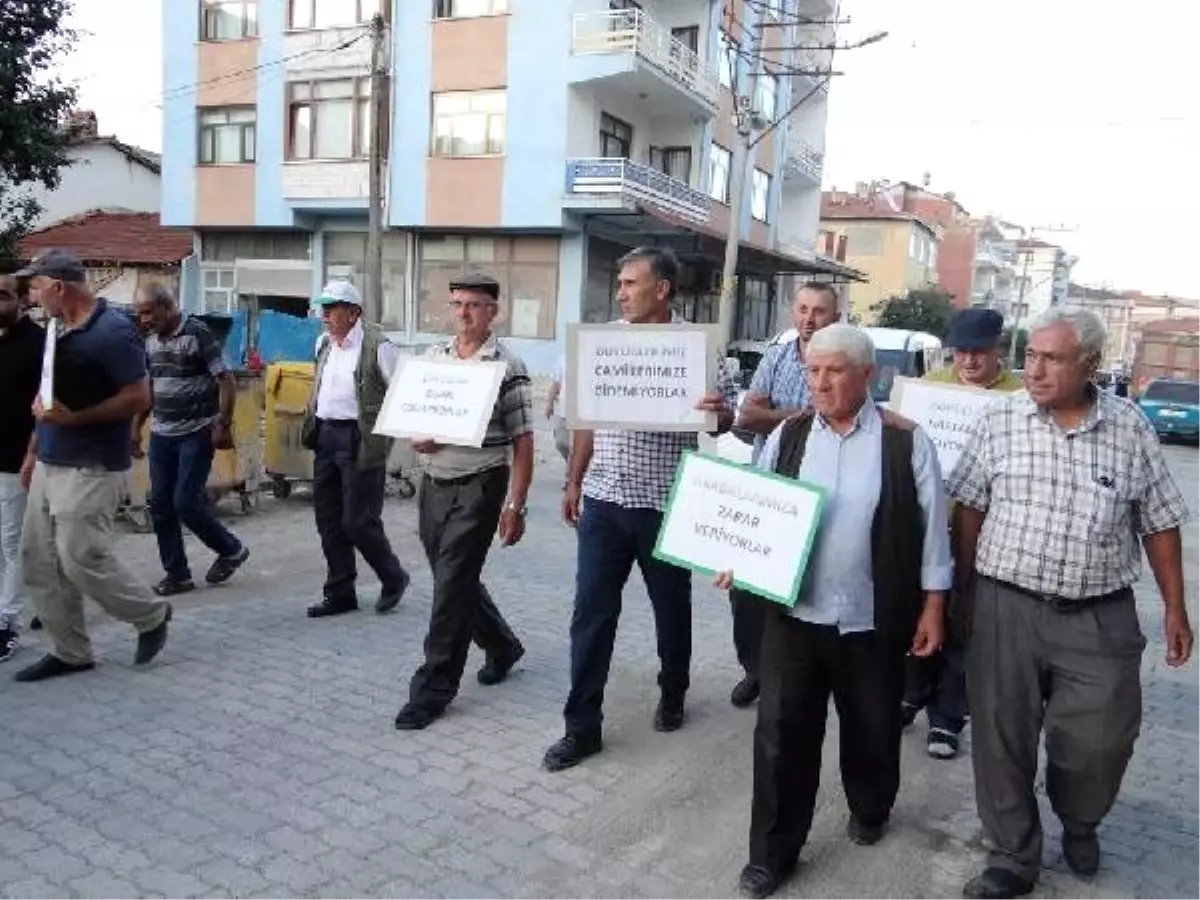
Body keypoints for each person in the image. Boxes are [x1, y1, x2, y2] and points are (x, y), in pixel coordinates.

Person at [948, 307, 1194, 898]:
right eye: (1029, 355)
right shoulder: (999, 420)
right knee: (1000, 737)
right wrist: (960, 594)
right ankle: (1011, 854)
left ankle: (1080, 820)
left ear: (1089, 364)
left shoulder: (1131, 428)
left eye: (1051, 358)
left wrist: (1176, 608)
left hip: (1098, 614)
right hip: (1005, 605)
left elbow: (1159, 523)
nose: (1033, 368)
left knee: (1102, 741)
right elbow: (969, 510)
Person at [714, 323, 951, 899]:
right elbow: (757, 503)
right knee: (780, 735)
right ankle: (772, 853)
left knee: (871, 726)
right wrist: (733, 554)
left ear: (868, 376)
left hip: (872, 616)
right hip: (793, 615)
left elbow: (934, 533)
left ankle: (870, 809)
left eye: (834, 370)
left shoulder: (904, 441)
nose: (819, 382)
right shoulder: (790, 434)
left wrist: (933, 608)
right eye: (814, 370)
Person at [542, 246, 738, 772]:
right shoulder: (602, 343)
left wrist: (721, 413)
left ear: (663, 289)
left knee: (671, 611)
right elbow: (585, 420)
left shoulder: (697, 349)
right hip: (604, 500)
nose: (622, 293)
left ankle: (673, 690)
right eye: (621, 284)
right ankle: (581, 727)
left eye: (631, 283)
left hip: (665, 505)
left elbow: (721, 425)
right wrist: (574, 480)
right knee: (590, 616)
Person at [13, 249, 172, 682]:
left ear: (59, 286)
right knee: (38, 559)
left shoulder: (113, 332)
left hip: (92, 464)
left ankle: (151, 615)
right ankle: (70, 651)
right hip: (50, 459)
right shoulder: (56, 328)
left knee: (80, 555)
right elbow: (47, 400)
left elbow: (140, 397)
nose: (31, 293)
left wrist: (75, 419)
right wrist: (32, 450)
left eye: (35, 285)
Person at [394, 273, 532, 730]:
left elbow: (523, 442)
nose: (463, 313)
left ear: (494, 311)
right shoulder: (434, 358)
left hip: (481, 483)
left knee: (451, 584)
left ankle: (433, 688)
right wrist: (420, 438)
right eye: (457, 304)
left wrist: (516, 506)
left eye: (474, 305)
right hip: (434, 481)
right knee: (454, 577)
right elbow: (416, 415)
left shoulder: (508, 366)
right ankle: (501, 644)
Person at [901, 307, 1021, 760]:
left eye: (979, 352)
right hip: (929, 525)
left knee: (965, 621)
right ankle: (911, 694)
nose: (969, 361)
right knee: (918, 611)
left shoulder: (1020, 399)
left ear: (998, 350)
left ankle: (949, 717)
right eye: (961, 352)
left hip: (990, 532)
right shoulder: (926, 392)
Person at [729, 281, 840, 709]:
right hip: (769, 489)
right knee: (745, 592)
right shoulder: (776, 356)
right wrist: (801, 417)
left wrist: (771, 417)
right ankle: (755, 668)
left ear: (836, 318)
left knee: (799, 592)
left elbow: (841, 419)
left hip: (821, 495)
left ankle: (794, 676)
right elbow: (747, 414)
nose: (809, 320)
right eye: (803, 310)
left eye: (820, 312)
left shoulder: (845, 357)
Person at [134, 284, 250, 596]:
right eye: (140, 314)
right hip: (162, 434)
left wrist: (223, 424)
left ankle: (231, 549)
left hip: (196, 432)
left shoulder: (198, 333)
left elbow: (225, 379)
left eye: (148, 312)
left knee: (185, 501)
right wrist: (136, 427)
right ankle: (177, 575)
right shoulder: (150, 342)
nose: (144, 319)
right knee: (160, 504)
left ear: (166, 308)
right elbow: (150, 390)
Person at [304, 280, 410, 618]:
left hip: (359, 439)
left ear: (354, 313)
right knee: (328, 520)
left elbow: (402, 392)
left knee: (358, 521)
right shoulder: (324, 343)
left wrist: (385, 438)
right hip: (325, 436)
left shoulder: (379, 346)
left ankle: (393, 576)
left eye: (333, 308)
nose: (325, 314)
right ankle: (340, 591)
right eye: (324, 307)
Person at [0, 275, 44, 662]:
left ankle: (6, 622)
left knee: (14, 544)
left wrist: (32, 454)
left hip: (17, 459)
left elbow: (45, 409)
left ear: (21, 301)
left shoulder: (38, 344)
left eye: (2, 296)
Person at [545, 352, 571, 468]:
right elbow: (556, 383)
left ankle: (573, 476)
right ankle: (571, 466)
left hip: (584, 412)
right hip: (564, 408)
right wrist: (549, 403)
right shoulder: (564, 357)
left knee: (579, 446)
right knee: (561, 442)